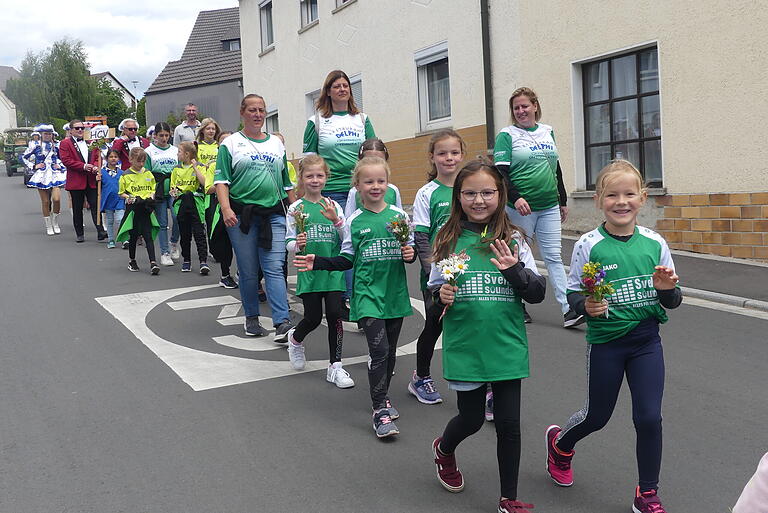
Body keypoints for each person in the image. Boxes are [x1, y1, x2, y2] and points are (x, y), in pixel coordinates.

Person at [544, 160, 682, 513]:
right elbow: (574, 293)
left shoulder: (655, 243)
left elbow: (673, 299)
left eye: (629, 194)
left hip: (647, 341)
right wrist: (585, 305)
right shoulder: (588, 244)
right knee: (597, 417)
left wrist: (667, 290)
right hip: (606, 343)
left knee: (649, 418)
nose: (621, 202)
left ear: (643, 197)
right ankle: (560, 445)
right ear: (598, 199)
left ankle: (647, 493)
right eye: (612, 195)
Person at [428, 160, 544, 513]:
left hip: (507, 344)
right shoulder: (447, 239)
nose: (479, 200)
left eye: (487, 192)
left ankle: (508, 499)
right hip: (466, 344)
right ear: (458, 196)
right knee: (473, 418)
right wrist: (440, 297)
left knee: (509, 424)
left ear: (500, 194)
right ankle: (444, 449)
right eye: (470, 193)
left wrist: (514, 271)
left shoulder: (514, 238)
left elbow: (537, 293)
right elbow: (434, 293)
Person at [294, 156, 416, 439]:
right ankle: (379, 411)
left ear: (388, 183)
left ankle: (383, 396)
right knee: (379, 351)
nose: (376, 186)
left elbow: (407, 251)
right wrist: (319, 262)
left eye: (381, 181)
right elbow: (347, 259)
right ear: (357, 187)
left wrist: (409, 255)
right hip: (368, 295)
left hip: (394, 294)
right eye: (369, 181)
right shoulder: (354, 221)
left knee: (391, 352)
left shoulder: (399, 216)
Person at [493, 86, 582, 328]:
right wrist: (517, 197)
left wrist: (562, 199)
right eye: (516, 108)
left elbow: (556, 168)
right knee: (519, 255)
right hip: (519, 208)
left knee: (553, 257)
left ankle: (569, 309)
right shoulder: (507, 135)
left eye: (525, 106)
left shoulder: (547, 131)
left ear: (535, 106)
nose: (521, 111)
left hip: (549, 206)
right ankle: (518, 304)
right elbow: (500, 172)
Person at [214, 94, 296, 340]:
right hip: (242, 216)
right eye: (252, 110)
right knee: (249, 271)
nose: (258, 114)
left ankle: (282, 322)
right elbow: (221, 181)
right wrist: (226, 209)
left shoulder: (276, 144)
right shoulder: (230, 144)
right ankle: (251, 318)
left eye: (261, 110)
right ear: (243, 113)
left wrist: (297, 211)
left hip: (274, 215)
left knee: (274, 268)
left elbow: (286, 183)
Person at [284, 155, 354, 388]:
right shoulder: (296, 208)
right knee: (313, 318)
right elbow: (289, 243)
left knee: (335, 314)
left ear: (327, 177)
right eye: (309, 175)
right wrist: (298, 244)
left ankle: (336, 366)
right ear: (302, 178)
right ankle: (295, 339)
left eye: (319, 175)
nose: (315, 180)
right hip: (309, 270)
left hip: (332, 269)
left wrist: (337, 222)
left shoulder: (333, 206)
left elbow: (347, 240)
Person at [409, 129, 466, 405]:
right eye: (442, 153)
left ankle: (487, 385)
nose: (449, 158)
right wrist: (432, 269)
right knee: (435, 324)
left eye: (454, 152)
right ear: (432, 157)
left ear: (462, 155)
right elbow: (421, 235)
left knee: (474, 324)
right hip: (438, 273)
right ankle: (420, 377)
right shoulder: (427, 193)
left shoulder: (469, 187)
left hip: (468, 269)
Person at [340, 137, 402, 321]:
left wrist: (407, 246)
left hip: (388, 253)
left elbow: (401, 220)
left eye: (379, 159)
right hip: (366, 250)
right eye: (367, 159)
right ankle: (354, 298)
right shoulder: (355, 192)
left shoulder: (392, 190)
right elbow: (349, 221)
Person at [302, 70, 375, 212]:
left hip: (360, 189)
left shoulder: (362, 119)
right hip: (331, 190)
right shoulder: (316, 121)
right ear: (328, 92)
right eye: (337, 86)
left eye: (345, 86)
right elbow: (309, 162)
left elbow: (373, 155)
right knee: (337, 232)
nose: (342, 89)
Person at [59, 119, 107, 243]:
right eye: (77, 128)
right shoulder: (65, 143)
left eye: (82, 128)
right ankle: (79, 233)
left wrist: (96, 166)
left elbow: (97, 157)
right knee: (77, 208)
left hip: (91, 179)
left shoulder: (91, 142)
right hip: (76, 181)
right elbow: (66, 160)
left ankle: (100, 230)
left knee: (95, 205)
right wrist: (83, 166)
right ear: (70, 131)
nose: (80, 130)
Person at [116, 147, 160, 275]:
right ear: (130, 160)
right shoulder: (125, 175)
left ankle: (153, 262)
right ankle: (132, 260)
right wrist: (128, 197)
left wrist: (152, 196)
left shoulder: (148, 173)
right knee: (134, 236)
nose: (141, 164)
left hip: (146, 207)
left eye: (143, 161)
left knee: (148, 235)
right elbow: (121, 193)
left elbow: (153, 188)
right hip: (133, 208)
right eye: (138, 161)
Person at [204, 128, 237, 288]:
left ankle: (244, 272)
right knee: (224, 245)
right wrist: (222, 185)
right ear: (218, 146)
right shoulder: (213, 167)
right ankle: (225, 275)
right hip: (221, 208)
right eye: (223, 142)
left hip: (241, 207)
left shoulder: (240, 162)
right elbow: (209, 187)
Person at [170, 141, 209, 275]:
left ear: (187, 154)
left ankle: (203, 261)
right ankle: (186, 260)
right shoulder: (176, 169)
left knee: (199, 233)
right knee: (185, 234)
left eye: (179, 151)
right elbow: (173, 187)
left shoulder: (200, 166)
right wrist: (173, 192)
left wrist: (195, 168)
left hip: (196, 203)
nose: (177, 154)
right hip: (182, 203)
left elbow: (204, 183)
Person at [145, 122, 180, 265]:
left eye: (167, 135)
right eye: (161, 135)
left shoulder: (175, 150)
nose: (164, 138)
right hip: (158, 189)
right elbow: (147, 173)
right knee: (162, 222)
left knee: (177, 216)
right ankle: (164, 252)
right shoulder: (149, 151)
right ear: (155, 135)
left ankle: (173, 242)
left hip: (174, 188)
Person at [23, 124, 66, 236]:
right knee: (46, 202)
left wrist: (60, 166)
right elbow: (23, 157)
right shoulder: (35, 145)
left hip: (54, 174)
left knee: (56, 199)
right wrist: (34, 166)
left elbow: (64, 158)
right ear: (41, 134)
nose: (48, 136)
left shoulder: (57, 145)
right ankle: (48, 225)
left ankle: (55, 223)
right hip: (41, 175)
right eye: (45, 134)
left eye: (49, 133)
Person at [96, 149, 125, 248]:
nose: (113, 159)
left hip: (119, 199)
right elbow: (98, 187)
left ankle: (124, 239)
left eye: (115, 157)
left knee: (120, 219)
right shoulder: (102, 172)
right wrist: (97, 180)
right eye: (111, 157)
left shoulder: (122, 173)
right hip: (108, 199)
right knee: (109, 220)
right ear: (107, 158)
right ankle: (111, 239)